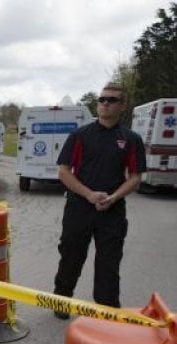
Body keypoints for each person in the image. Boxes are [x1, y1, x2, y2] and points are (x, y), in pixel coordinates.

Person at [52, 82, 146, 319]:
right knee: (71, 255)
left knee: (109, 263)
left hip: (112, 210)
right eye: (102, 99)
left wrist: (113, 197)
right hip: (79, 207)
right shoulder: (80, 136)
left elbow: (135, 177)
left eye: (111, 100)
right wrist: (89, 194)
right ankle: (61, 300)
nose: (105, 104)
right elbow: (63, 171)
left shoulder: (131, 139)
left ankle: (106, 310)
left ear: (122, 106)